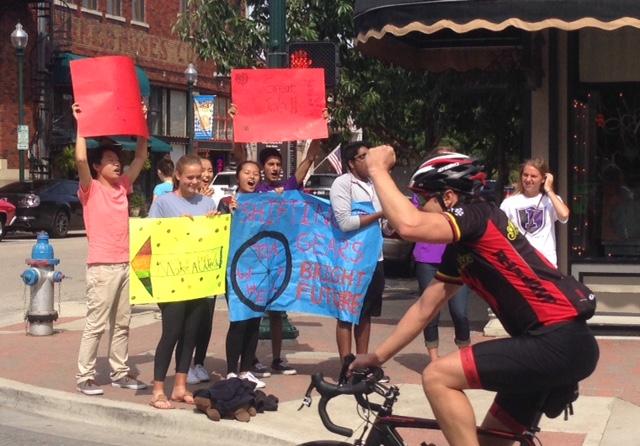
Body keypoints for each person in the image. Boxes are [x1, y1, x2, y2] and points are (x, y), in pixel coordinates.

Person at [351, 148, 599, 446]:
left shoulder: (477, 215)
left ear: (449, 198)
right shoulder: (464, 248)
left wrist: (377, 169)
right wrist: (378, 357)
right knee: (489, 442)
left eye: (424, 199)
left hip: (555, 340)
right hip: (555, 344)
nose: (419, 207)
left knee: (436, 376)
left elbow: (409, 225)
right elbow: (424, 308)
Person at [72, 102, 148, 396]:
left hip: (125, 263)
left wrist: (141, 122)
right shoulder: (90, 188)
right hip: (102, 266)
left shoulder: (123, 186)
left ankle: (120, 372)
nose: (117, 163)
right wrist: (81, 123)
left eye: (118, 159)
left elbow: (141, 155)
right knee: (96, 324)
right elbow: (79, 158)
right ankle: (85, 377)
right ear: (96, 166)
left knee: (123, 323)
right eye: (109, 159)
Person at [147, 154, 218, 409]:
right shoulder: (164, 203)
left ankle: (180, 385)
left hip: (198, 278)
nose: (195, 182)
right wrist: (174, 226)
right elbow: (149, 233)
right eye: (190, 177)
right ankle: (157, 389)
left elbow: (213, 240)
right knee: (172, 332)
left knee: (191, 334)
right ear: (177, 176)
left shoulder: (207, 202)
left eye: (198, 177)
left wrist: (213, 223)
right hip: (171, 278)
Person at [329, 141, 386, 363]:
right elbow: (344, 222)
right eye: (363, 157)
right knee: (346, 315)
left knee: (366, 313)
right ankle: (346, 365)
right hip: (350, 261)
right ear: (351, 163)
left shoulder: (376, 184)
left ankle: (361, 365)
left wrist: (393, 221)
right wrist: (380, 214)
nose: (369, 160)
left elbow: (385, 225)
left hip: (375, 258)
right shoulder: (342, 184)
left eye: (369, 155)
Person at [218, 160, 266, 388]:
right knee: (238, 320)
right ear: (238, 177)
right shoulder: (227, 202)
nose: (252, 177)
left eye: (256, 173)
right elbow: (215, 230)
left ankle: (246, 369)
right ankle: (230, 371)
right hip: (234, 271)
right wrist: (227, 214)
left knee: (254, 321)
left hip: (259, 272)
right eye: (247, 172)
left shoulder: (266, 202)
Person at [412, 196, 470, 362]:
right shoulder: (421, 195)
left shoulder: (459, 194)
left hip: (456, 258)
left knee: (459, 312)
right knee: (430, 311)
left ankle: (464, 355)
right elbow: (412, 218)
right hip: (427, 258)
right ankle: (434, 359)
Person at [499, 158, 569, 267]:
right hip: (521, 263)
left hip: (546, 262)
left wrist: (549, 189)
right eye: (525, 175)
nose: (528, 179)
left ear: (543, 179)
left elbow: (564, 216)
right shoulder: (509, 203)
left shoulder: (551, 200)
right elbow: (501, 232)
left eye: (533, 176)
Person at [186, 156, 218, 385]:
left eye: (207, 172)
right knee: (187, 322)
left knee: (206, 320)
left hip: (208, 269)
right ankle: (184, 365)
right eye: (200, 172)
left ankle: (199, 362)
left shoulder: (213, 200)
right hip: (186, 270)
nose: (204, 176)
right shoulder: (179, 197)